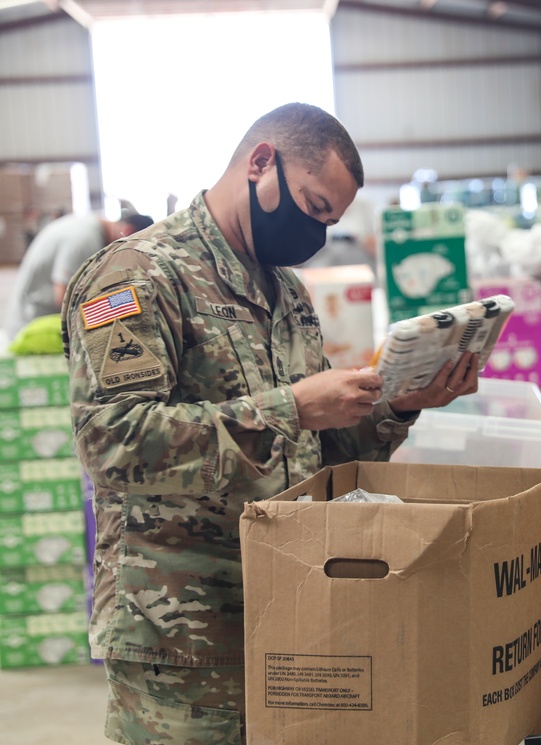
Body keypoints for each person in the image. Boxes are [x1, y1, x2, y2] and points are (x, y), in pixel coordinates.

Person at [61, 102, 479, 745]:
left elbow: (320, 450)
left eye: (331, 220)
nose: (316, 232)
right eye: (313, 208)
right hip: (185, 636)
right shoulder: (140, 275)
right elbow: (111, 439)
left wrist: (398, 405)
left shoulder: (287, 291)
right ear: (261, 163)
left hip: (294, 613)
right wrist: (290, 407)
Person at [4, 211, 153, 340]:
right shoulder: (86, 238)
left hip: (39, 320)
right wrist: (123, 303)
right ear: (127, 231)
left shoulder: (90, 227)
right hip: (35, 328)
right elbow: (65, 300)